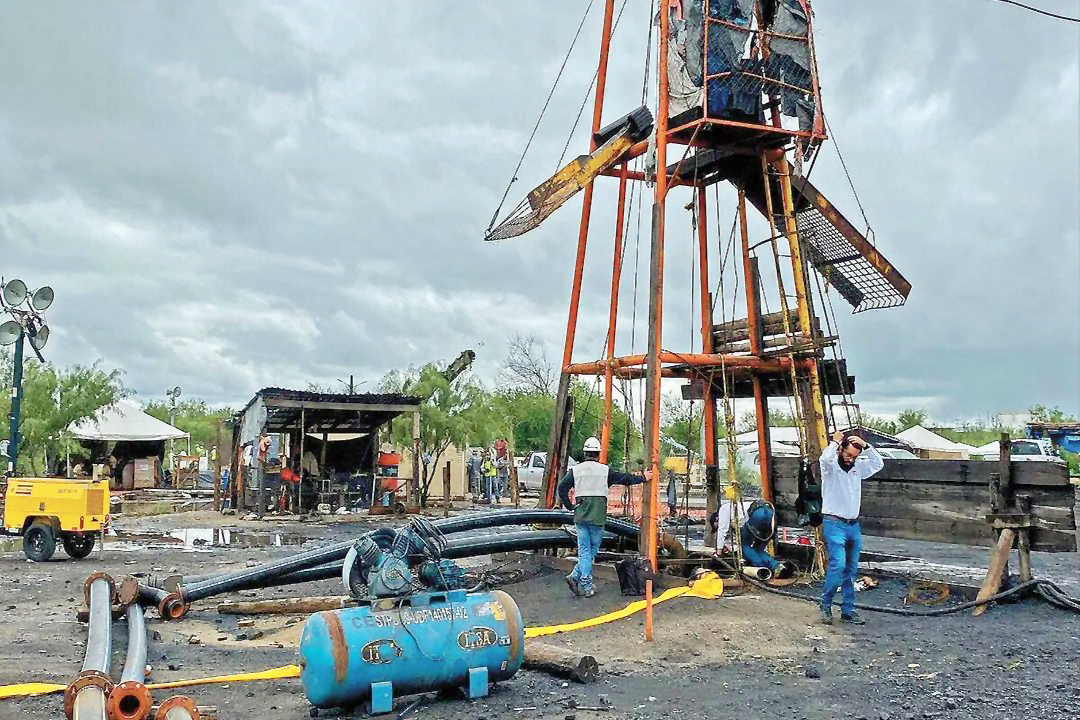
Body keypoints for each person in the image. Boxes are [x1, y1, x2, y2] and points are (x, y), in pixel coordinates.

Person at [558, 437, 652, 598]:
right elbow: (625, 479)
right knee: (591, 551)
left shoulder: (576, 471)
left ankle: (575, 576)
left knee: (585, 552)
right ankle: (586, 585)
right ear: (598, 453)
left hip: (580, 516)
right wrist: (643, 477)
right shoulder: (605, 471)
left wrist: (569, 505)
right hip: (598, 517)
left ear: (585, 452)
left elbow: (562, 488)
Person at [819, 430, 884, 625]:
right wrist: (834, 442)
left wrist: (866, 446)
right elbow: (825, 458)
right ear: (841, 450)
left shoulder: (858, 468)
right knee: (838, 564)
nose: (850, 459)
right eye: (848, 454)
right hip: (834, 522)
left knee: (851, 569)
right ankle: (826, 604)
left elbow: (878, 464)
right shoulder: (831, 468)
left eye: (854, 456)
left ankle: (847, 609)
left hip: (852, 524)